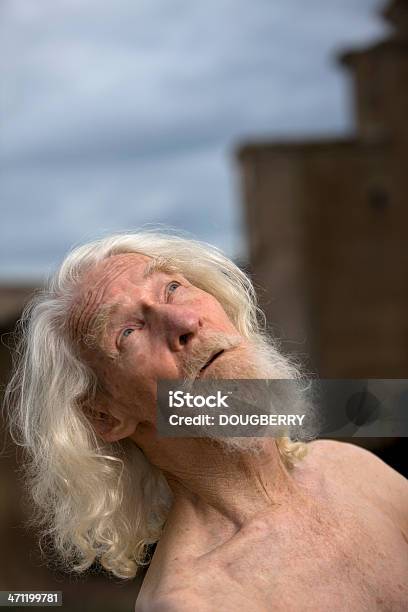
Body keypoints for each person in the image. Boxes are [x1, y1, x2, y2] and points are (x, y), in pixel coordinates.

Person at [3, 231, 408, 611]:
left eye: (173, 289)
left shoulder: (352, 467)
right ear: (105, 415)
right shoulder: (198, 599)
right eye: (127, 331)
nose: (184, 323)